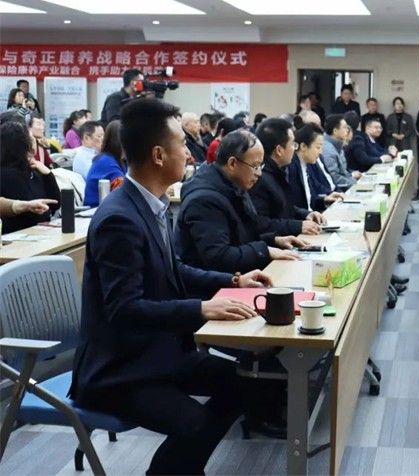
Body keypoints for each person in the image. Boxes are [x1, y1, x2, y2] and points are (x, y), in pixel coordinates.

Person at [69, 97, 280, 475]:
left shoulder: (152, 204)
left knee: (243, 383)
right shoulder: (120, 219)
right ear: (158, 155)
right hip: (119, 369)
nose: (189, 152)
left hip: (155, 352)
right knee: (194, 423)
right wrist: (201, 308)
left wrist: (234, 281)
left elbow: (173, 270)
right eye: (182, 143)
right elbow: (125, 309)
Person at [176, 130, 305, 273]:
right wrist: (265, 251)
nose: (259, 173)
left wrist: (274, 240)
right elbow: (219, 257)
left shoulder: (233, 184)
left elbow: (243, 235)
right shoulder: (204, 199)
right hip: (218, 283)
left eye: (261, 166)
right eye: (255, 166)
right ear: (232, 163)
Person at [252, 117, 326, 236]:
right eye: (293, 144)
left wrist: (305, 214)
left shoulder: (278, 171)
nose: (295, 149)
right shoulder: (259, 178)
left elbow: (284, 207)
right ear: (279, 150)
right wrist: (298, 225)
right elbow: (262, 224)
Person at [0, 121, 60, 233]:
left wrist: (48, 174)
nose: (35, 142)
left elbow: (55, 203)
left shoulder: (33, 169)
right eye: (31, 138)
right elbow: (36, 214)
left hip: (38, 232)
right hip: (18, 236)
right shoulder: (7, 175)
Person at [287, 125, 344, 212]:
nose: (321, 152)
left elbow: (310, 200)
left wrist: (325, 200)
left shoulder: (306, 165)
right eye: (318, 147)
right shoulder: (291, 169)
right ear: (303, 146)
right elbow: (294, 207)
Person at [84, 121, 126, 208]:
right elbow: (125, 191)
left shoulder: (121, 160)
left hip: (111, 208)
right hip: (95, 210)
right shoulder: (105, 162)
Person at [322, 114, 358, 189]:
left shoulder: (338, 145)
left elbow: (344, 173)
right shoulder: (327, 150)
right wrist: (356, 185)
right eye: (344, 127)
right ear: (335, 131)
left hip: (346, 186)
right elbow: (334, 178)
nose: (347, 130)